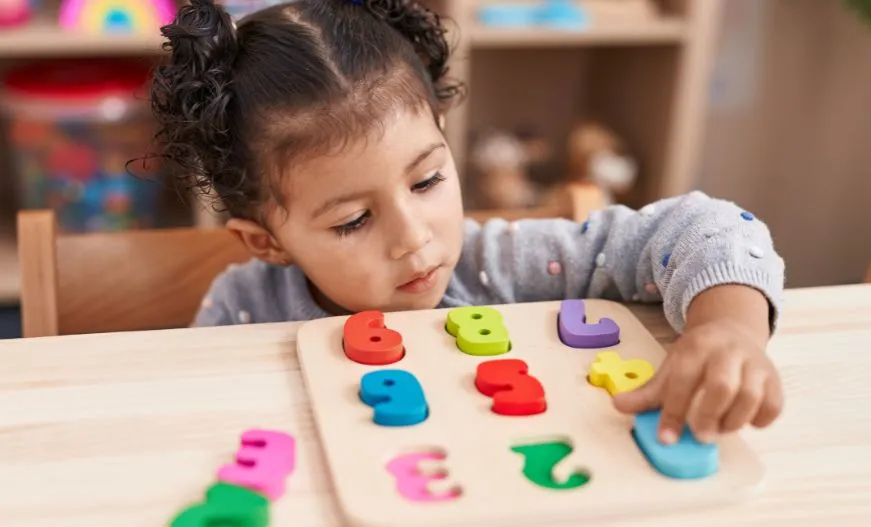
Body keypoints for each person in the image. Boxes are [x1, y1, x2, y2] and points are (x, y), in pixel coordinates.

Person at [148, 0, 785, 447]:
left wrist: (729, 329)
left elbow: (711, 225)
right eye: (353, 220)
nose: (415, 237)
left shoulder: (503, 266)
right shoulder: (242, 310)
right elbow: (204, 436)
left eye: (426, 180)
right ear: (267, 242)